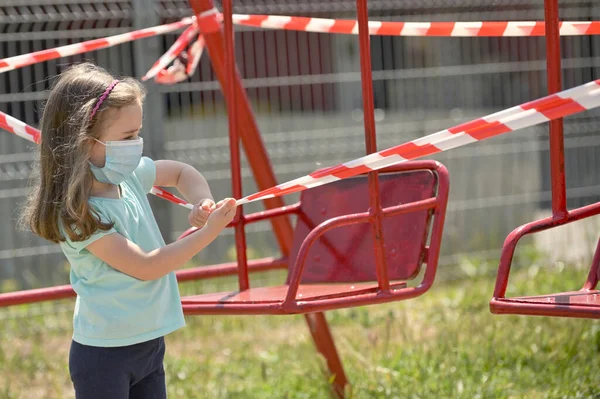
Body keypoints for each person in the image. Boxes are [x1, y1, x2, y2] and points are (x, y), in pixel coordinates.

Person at [20, 62, 236, 399]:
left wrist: (203, 202)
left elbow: (181, 173)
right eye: (127, 137)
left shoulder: (127, 176)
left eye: (137, 133)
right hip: (104, 356)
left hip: (149, 343)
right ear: (84, 141)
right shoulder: (79, 214)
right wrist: (209, 232)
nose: (137, 145)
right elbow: (147, 266)